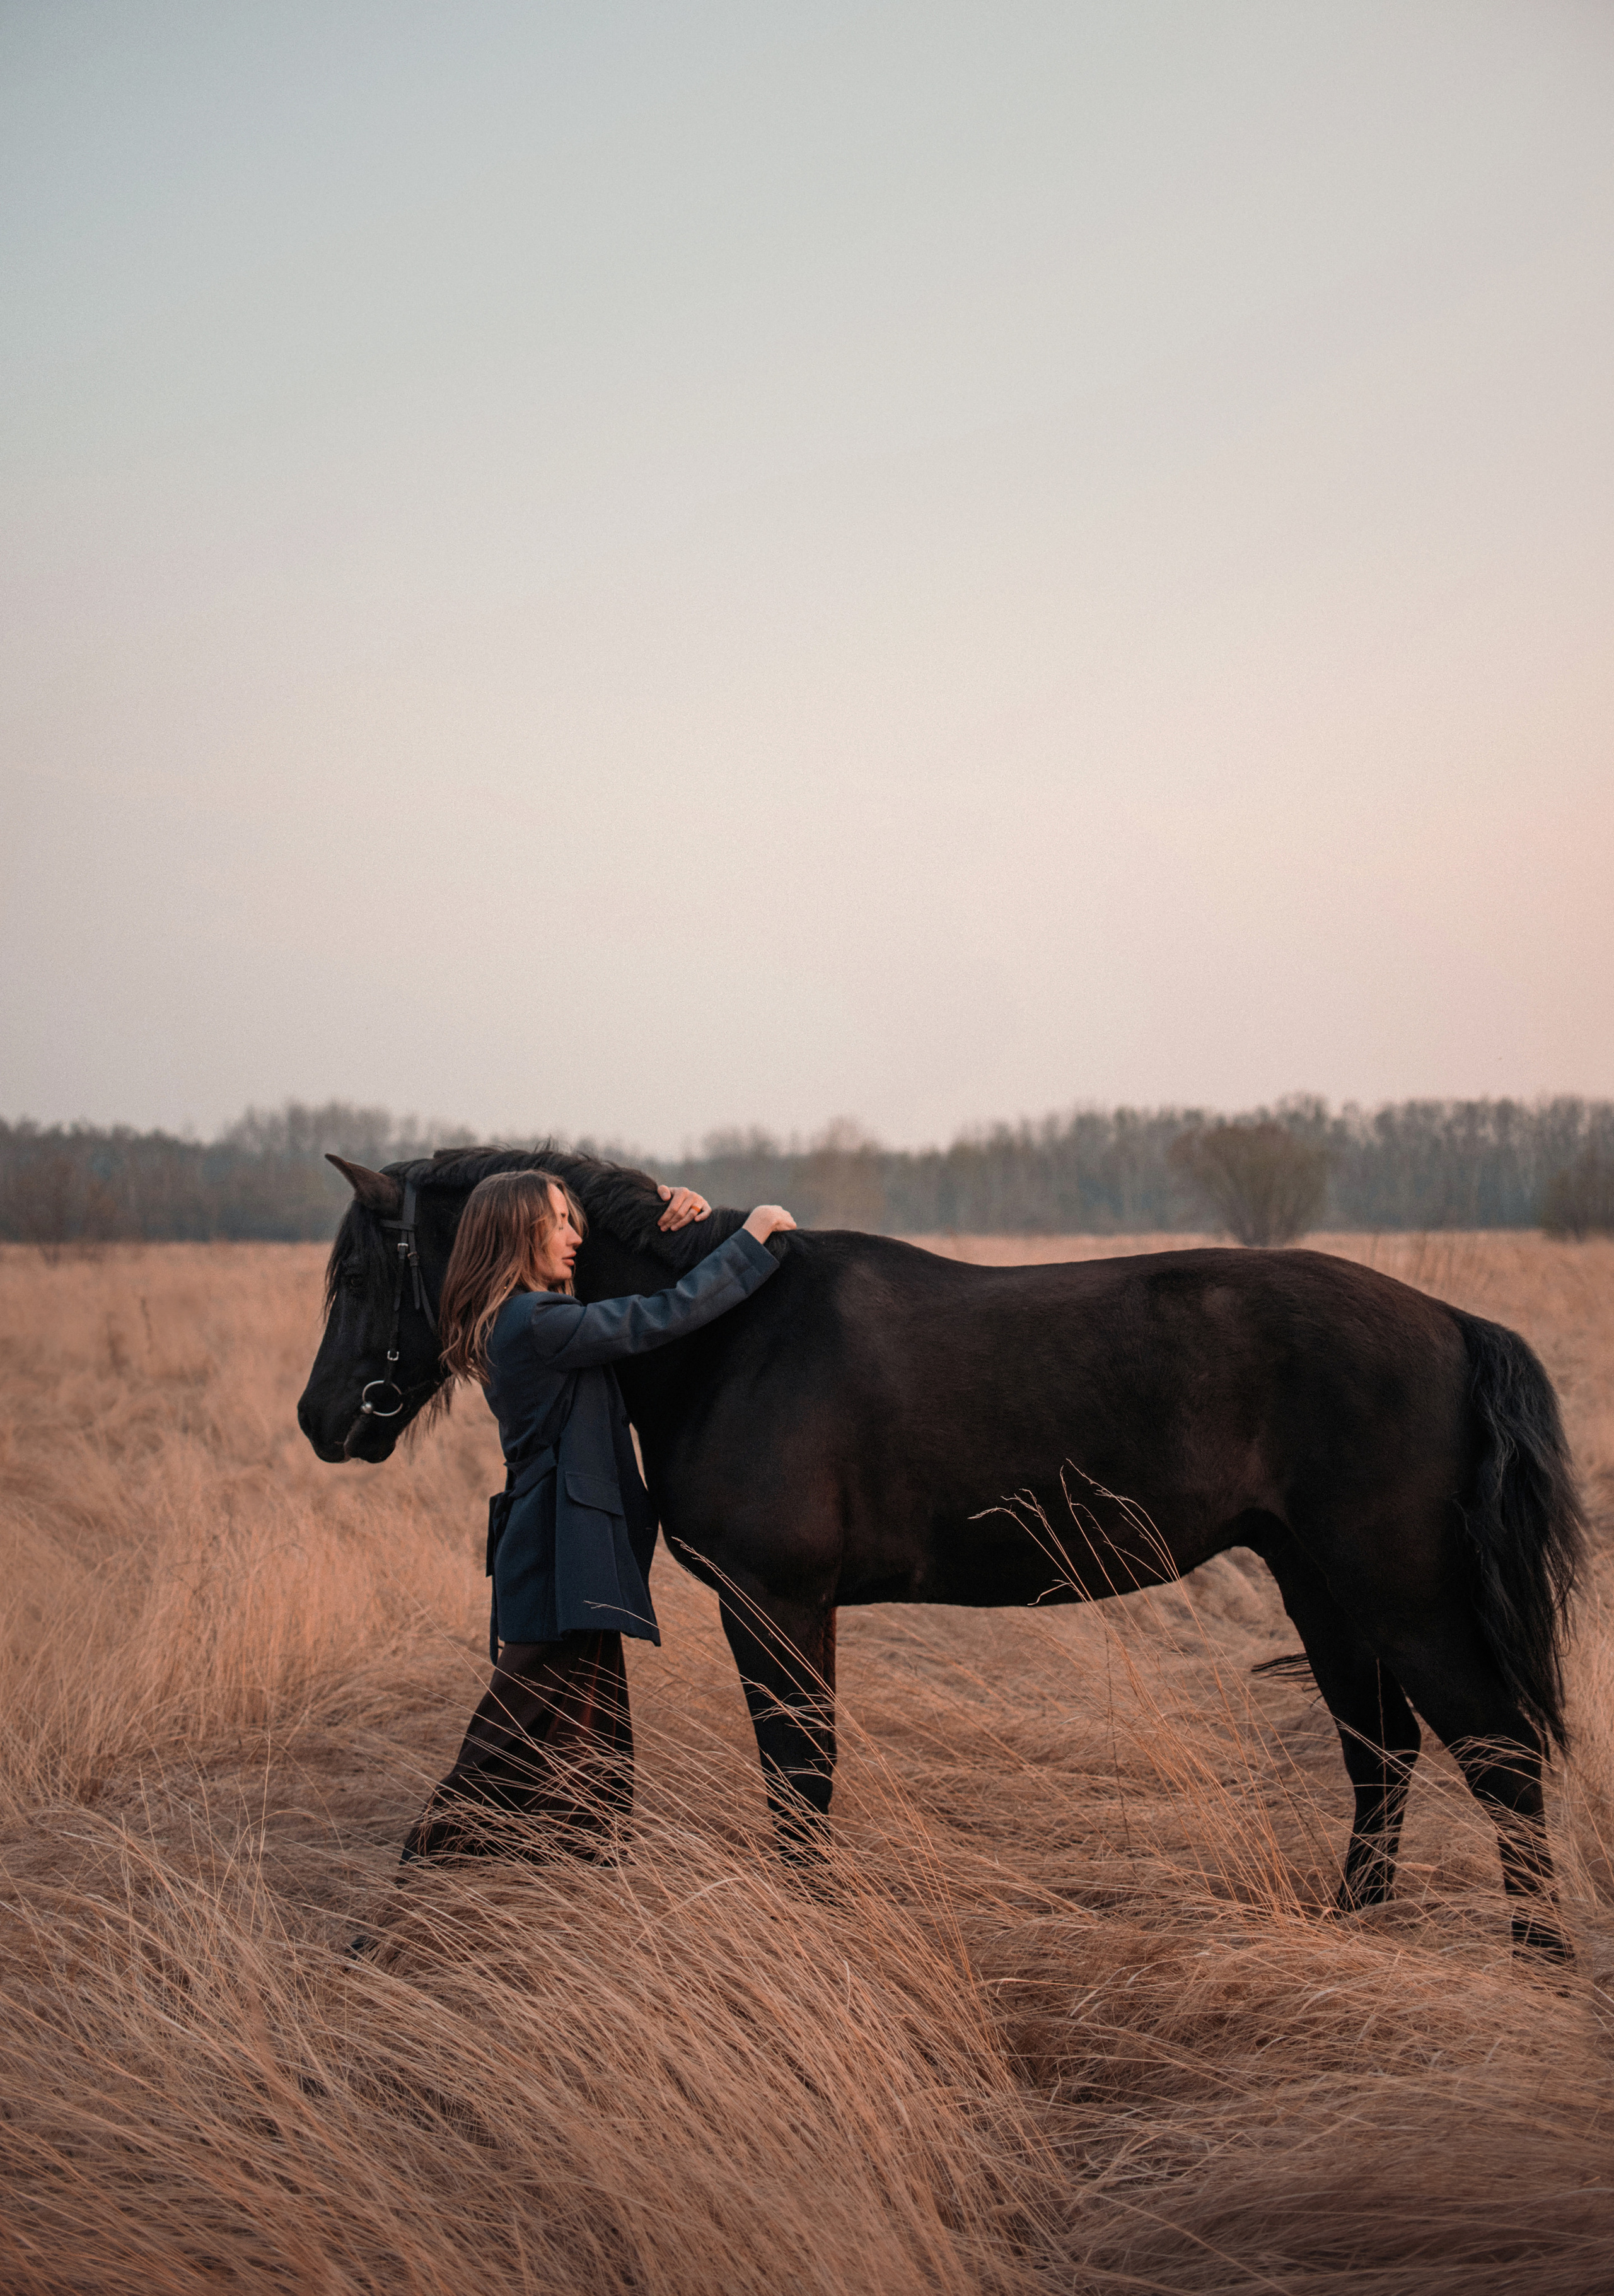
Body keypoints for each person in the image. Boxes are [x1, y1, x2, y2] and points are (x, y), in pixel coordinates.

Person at [400, 1168, 796, 1862]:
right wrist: (746, 1238)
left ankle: (568, 1898)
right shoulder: (533, 1321)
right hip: (561, 1559)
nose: (574, 1235)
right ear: (513, 1234)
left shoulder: (534, 1318)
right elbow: (656, 1316)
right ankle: (414, 1898)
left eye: (572, 1218)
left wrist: (677, 1209)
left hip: (571, 1560)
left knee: (589, 1756)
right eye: (556, 1221)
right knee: (501, 1751)